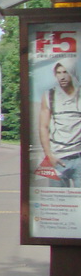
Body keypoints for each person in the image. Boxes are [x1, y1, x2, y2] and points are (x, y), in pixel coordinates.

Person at [38, 58, 81, 186]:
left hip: (79, 156)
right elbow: (43, 127)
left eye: (65, 72)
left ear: (72, 73)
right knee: (58, 201)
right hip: (58, 157)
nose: (62, 76)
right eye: (58, 73)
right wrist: (48, 155)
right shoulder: (49, 95)